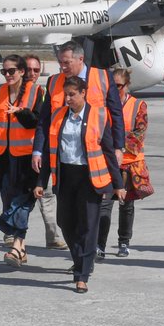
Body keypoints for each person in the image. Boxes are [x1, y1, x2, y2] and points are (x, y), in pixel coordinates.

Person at [34, 76, 124, 293]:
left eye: (72, 94)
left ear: (84, 93)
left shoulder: (99, 116)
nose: (67, 99)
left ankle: (82, 274)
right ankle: (80, 258)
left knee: (88, 225)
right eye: (66, 94)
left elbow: (109, 152)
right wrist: (41, 181)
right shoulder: (58, 116)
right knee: (65, 222)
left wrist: (118, 184)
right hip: (65, 175)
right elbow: (49, 151)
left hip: (90, 177)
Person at [32, 41, 125, 179]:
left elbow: (116, 114)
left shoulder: (103, 77)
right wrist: (37, 151)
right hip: (65, 154)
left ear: (80, 59)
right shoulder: (53, 81)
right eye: (60, 62)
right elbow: (44, 120)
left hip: (95, 151)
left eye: (67, 63)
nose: (63, 67)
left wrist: (118, 147)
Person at [0, 55, 41, 267]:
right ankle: (21, 249)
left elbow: (37, 123)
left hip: (26, 156)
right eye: (4, 71)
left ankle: (16, 246)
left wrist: (21, 112)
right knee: (7, 197)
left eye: (11, 71)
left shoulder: (37, 91)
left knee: (22, 201)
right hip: (3, 155)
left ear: (22, 72)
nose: (7, 75)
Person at [97, 68, 147, 258]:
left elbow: (139, 133)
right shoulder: (102, 105)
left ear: (127, 85)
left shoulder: (138, 105)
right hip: (106, 162)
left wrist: (116, 146)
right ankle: (99, 245)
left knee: (126, 204)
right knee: (104, 204)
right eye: (111, 85)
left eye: (118, 86)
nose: (114, 89)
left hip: (128, 162)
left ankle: (124, 242)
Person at [22, 54, 67, 249]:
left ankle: (53, 236)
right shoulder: (6, 92)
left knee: (47, 194)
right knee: (18, 195)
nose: (32, 74)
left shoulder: (42, 92)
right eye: (28, 69)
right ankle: (13, 234)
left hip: (40, 152)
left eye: (36, 70)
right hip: (17, 153)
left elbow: (41, 121)